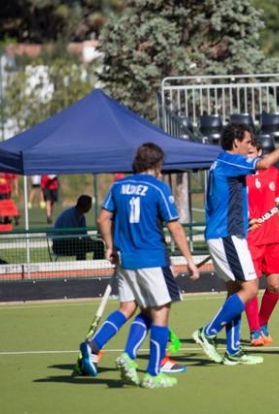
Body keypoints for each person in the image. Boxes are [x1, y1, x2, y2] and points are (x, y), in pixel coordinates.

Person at [79, 142, 200, 389]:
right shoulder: (158, 188)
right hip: (152, 259)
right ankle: (153, 372)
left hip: (126, 259)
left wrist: (110, 246)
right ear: (157, 165)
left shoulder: (118, 186)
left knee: (132, 307)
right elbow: (174, 225)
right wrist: (189, 259)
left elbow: (102, 219)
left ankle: (119, 353)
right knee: (160, 312)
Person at [191, 122, 279, 366]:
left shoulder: (219, 164)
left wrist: (243, 221)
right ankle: (207, 332)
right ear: (235, 142)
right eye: (248, 142)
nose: (250, 147)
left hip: (226, 232)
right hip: (226, 235)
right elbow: (265, 163)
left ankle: (233, 350)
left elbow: (220, 202)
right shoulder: (229, 160)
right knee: (249, 288)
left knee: (235, 291)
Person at [245, 140, 279, 346]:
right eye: (245, 153)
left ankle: (262, 323)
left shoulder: (273, 173)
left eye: (252, 153)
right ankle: (254, 331)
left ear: (260, 152)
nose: (249, 157)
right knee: (251, 288)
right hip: (250, 240)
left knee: (274, 285)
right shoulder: (239, 175)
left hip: (272, 239)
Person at [51, 195, 105, 261]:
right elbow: (68, 236)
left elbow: (84, 235)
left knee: (99, 244)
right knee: (80, 246)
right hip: (60, 246)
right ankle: (81, 267)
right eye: (89, 205)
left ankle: (97, 267)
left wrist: (90, 242)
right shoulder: (69, 215)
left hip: (73, 243)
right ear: (84, 206)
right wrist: (85, 242)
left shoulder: (82, 216)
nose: (90, 207)